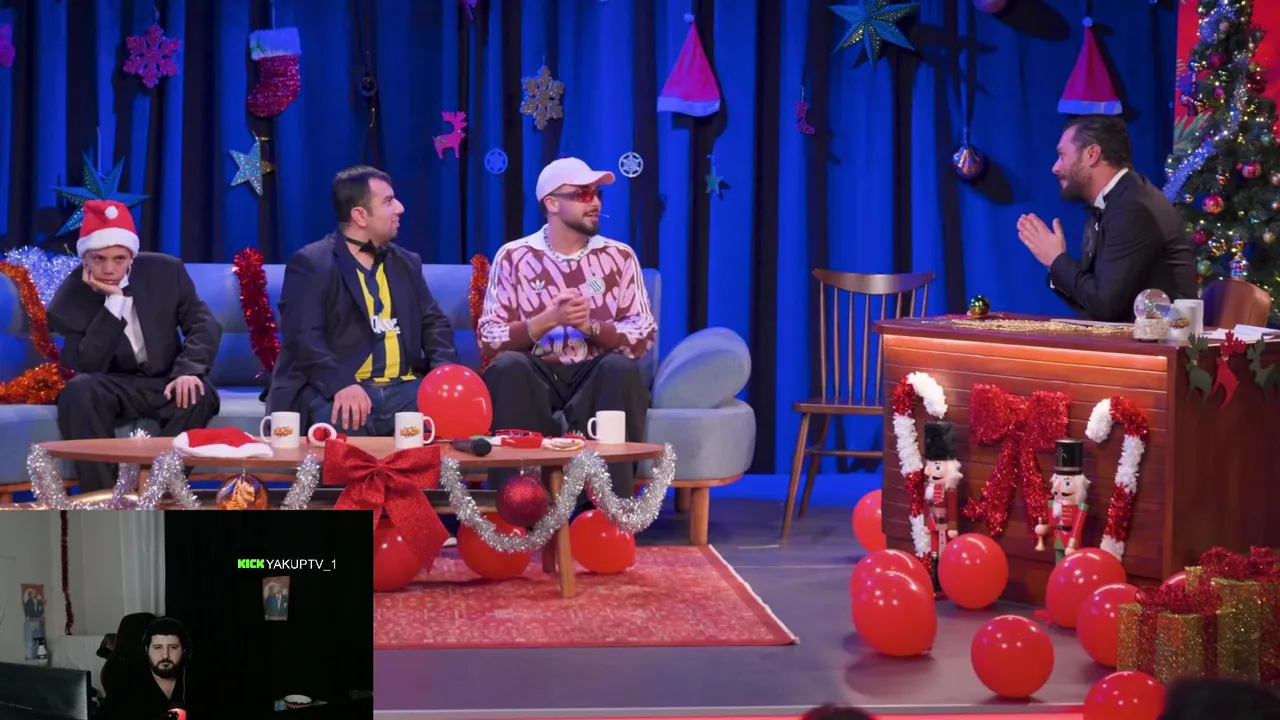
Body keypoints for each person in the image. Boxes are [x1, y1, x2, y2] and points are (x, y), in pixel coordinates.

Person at [478, 158, 656, 499]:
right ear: (552, 203)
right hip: (536, 372)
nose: (595, 202)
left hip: (593, 373)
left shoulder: (620, 257)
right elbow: (489, 339)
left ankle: (607, 507)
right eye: (583, 194)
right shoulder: (514, 256)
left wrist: (589, 326)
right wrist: (548, 319)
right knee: (508, 366)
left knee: (620, 368)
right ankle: (519, 503)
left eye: (597, 194)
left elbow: (642, 336)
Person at [268, 166, 459, 432]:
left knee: (450, 416)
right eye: (388, 201)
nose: (400, 208)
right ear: (360, 215)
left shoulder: (406, 262)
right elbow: (303, 338)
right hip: (341, 388)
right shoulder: (312, 263)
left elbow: (434, 324)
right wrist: (341, 384)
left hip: (405, 390)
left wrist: (443, 376)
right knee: (341, 420)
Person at [49, 200, 222, 491]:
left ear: (132, 256)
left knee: (198, 393)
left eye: (119, 259)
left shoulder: (167, 272)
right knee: (77, 392)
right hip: (114, 384)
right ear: (84, 259)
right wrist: (114, 303)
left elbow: (203, 324)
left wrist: (188, 370)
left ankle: (157, 489)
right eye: (99, 258)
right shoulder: (69, 299)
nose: (109, 268)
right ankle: (104, 497)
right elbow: (87, 363)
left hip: (165, 381)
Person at [1016, 115, 1196, 322]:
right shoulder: (1115, 201)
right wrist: (1054, 264)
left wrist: (1057, 260)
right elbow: (1093, 301)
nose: (1055, 167)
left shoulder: (1133, 208)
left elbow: (1106, 306)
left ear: (1092, 154)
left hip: (1161, 339)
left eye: (1062, 155)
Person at [100, 616, 196, 720]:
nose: (165, 655)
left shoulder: (195, 683)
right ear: (146, 650)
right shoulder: (125, 688)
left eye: (173, 647)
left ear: (184, 651)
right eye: (158, 647)